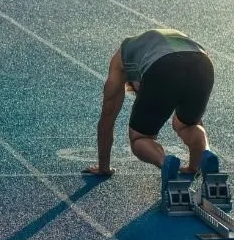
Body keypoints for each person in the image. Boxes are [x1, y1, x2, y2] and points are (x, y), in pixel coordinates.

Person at [83, 28, 220, 198]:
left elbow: (107, 117)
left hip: (164, 66)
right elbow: (195, 120)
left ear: (134, 81)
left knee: (140, 137)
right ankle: (207, 154)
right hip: (202, 62)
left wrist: (104, 168)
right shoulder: (153, 42)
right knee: (187, 124)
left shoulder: (121, 59)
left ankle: (165, 162)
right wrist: (193, 166)